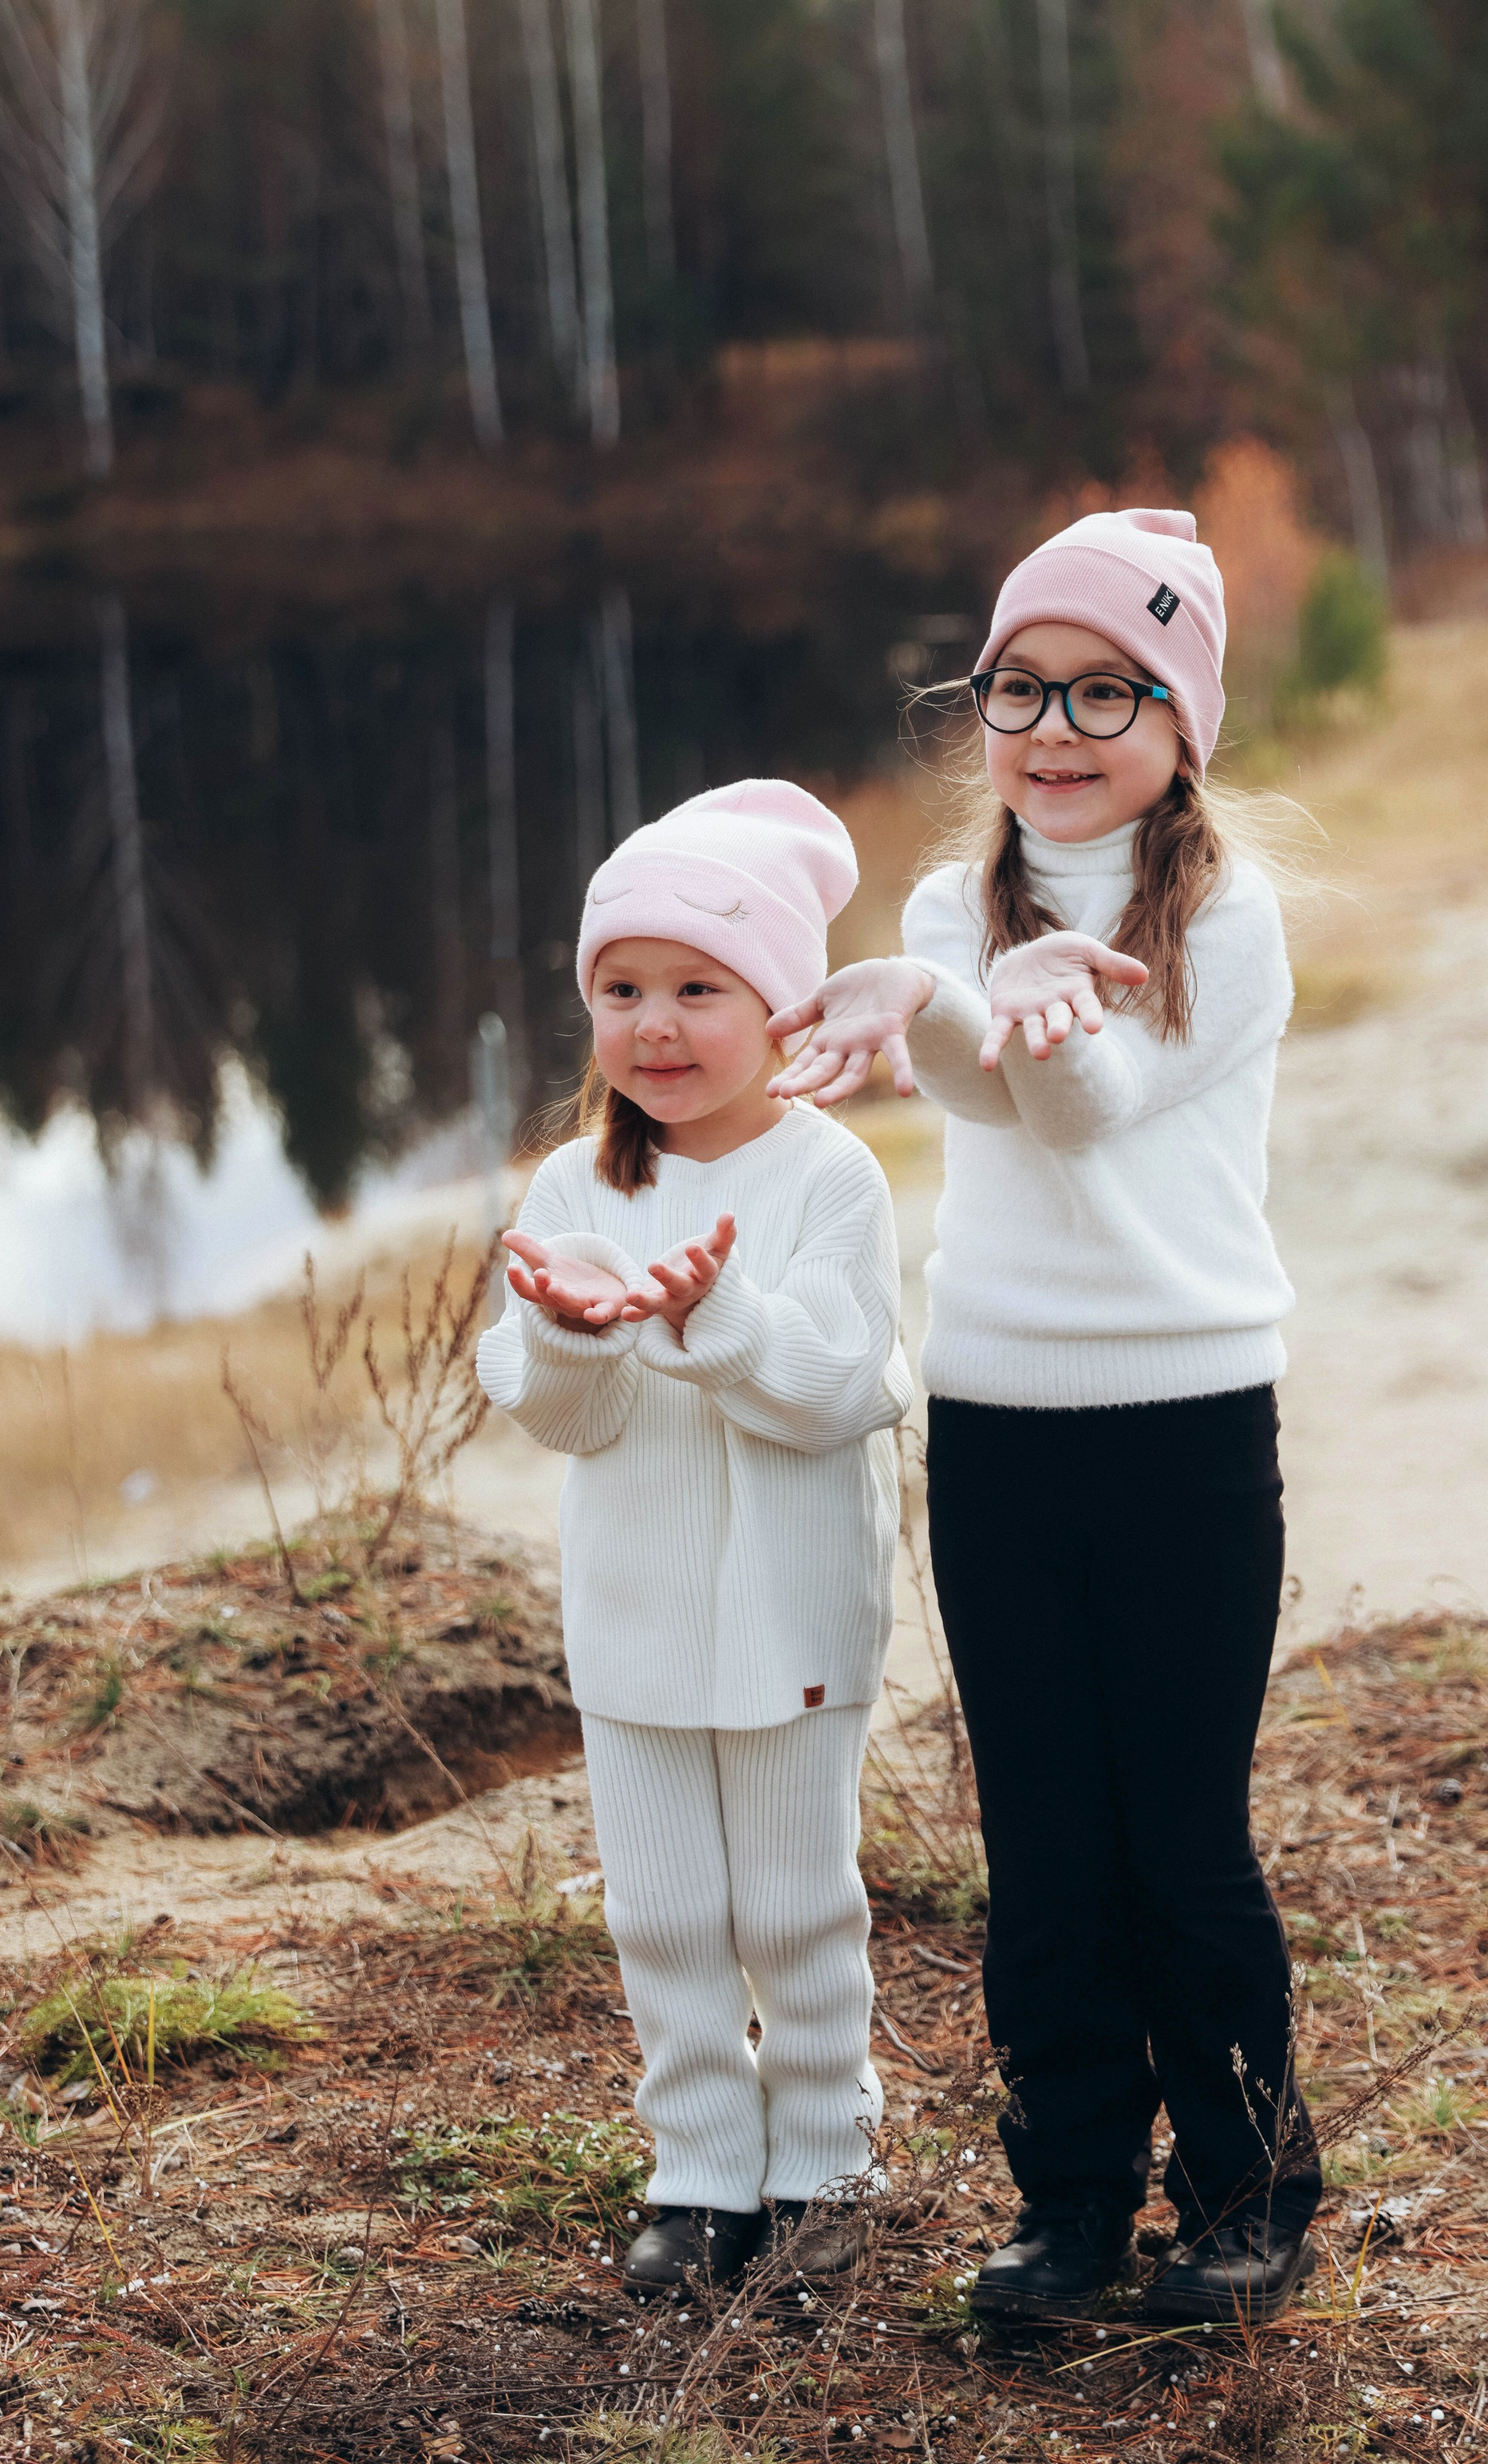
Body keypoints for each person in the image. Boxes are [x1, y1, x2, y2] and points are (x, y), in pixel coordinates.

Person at [768, 509, 1320, 2323]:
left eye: (1108, 688)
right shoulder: (950, 902)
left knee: (1179, 1831)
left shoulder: (1225, 923)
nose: (1055, 724)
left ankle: (1243, 2192)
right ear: (978, 702)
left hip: (1182, 1422)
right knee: (1044, 1842)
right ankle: (1070, 2201)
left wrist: (1005, 1006)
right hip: (999, 1424)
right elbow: (982, 1099)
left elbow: (1084, 1107)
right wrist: (937, 993)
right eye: (1020, 685)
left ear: (1181, 726)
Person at [476, 778, 912, 2300]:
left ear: (783, 1007)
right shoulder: (572, 1182)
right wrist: (580, 1338)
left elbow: (845, 1390)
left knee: (796, 1904)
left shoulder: (826, 1175)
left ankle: (824, 2161)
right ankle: (701, 2169)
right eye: (621, 990)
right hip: (638, 1614)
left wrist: (712, 1318)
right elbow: (554, 1413)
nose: (654, 1025)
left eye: (697, 988)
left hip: (792, 1610)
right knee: (665, 1908)